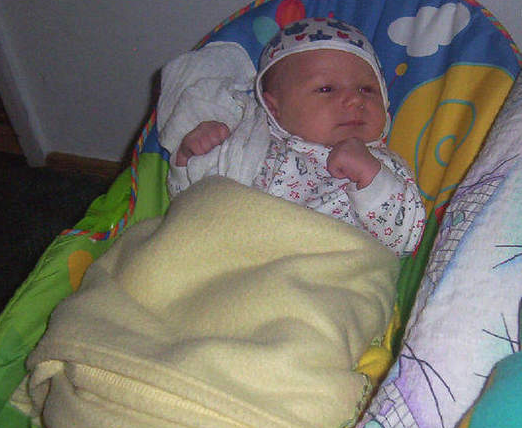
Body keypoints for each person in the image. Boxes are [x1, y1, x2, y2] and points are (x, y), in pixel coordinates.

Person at [158, 18, 425, 256]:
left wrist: (370, 177)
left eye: (367, 89)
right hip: (241, 262)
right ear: (274, 108)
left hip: (330, 275)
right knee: (159, 255)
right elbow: (190, 205)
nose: (355, 99)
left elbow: (406, 240)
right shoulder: (248, 144)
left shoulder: (383, 166)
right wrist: (190, 156)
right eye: (326, 89)